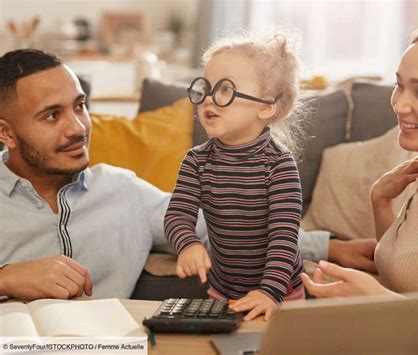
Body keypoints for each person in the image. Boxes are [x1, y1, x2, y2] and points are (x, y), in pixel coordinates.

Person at [0, 49, 376, 302]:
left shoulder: (121, 190)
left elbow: (223, 228)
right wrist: (6, 278)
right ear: (6, 133)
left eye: (80, 107)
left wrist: (329, 248)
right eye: (52, 116)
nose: (78, 128)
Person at [302, 20, 418, 298]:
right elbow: (407, 275)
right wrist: (380, 203)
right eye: (400, 85)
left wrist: (376, 299)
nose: (399, 104)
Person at [165, 32, 309, 321]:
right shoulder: (196, 161)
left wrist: (270, 292)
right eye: (205, 88)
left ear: (266, 106)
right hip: (223, 292)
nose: (208, 99)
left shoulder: (279, 166)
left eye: (225, 90)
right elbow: (176, 216)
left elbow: (284, 239)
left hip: (282, 295)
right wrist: (188, 244)